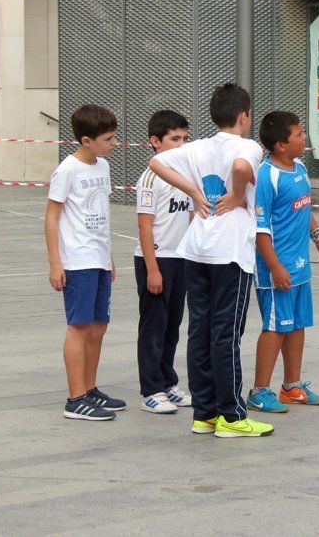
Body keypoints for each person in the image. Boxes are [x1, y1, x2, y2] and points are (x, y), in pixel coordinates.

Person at [149, 83, 274, 438]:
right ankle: (232, 417)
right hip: (229, 252)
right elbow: (238, 165)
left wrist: (192, 191)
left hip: (197, 248)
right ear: (243, 116)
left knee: (199, 331)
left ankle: (204, 414)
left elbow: (156, 162)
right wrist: (236, 194)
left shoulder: (198, 147)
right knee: (226, 333)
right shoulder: (247, 146)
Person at [245, 111, 319, 414]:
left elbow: (304, 207)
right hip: (277, 268)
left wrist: (318, 237)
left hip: (300, 266)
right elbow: (260, 228)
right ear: (281, 145)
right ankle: (259, 391)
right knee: (275, 327)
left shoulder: (299, 168)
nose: (304, 137)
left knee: (297, 325)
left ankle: (292, 387)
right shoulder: (266, 176)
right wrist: (274, 266)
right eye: (299, 133)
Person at [45, 104, 126, 421]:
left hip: (98, 258)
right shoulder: (67, 170)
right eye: (108, 139)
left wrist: (109, 257)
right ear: (86, 140)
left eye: (114, 137)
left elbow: (100, 215)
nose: (113, 144)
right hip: (76, 260)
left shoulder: (102, 167)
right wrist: (55, 262)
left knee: (99, 326)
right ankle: (75, 398)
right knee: (79, 327)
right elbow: (52, 218)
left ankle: (90, 389)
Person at [134, 110, 194, 414]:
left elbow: (192, 214)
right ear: (155, 142)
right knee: (154, 328)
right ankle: (151, 388)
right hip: (155, 261)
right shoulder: (150, 178)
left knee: (173, 326)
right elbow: (145, 225)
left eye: (185, 138)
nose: (181, 144)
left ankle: (168, 382)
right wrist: (153, 269)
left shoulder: (185, 176)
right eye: (175, 138)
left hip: (180, 259)